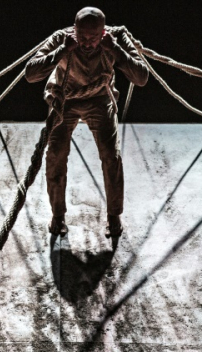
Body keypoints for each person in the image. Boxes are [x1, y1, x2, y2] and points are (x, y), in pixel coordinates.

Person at [25, 7, 148, 238]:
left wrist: (115, 49)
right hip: (66, 99)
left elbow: (141, 78)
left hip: (100, 99)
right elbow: (31, 74)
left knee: (111, 156)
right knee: (56, 154)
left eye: (93, 38)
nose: (87, 43)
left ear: (103, 32)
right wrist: (62, 51)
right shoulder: (62, 38)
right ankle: (58, 215)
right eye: (82, 37)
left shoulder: (115, 38)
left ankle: (114, 215)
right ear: (75, 30)